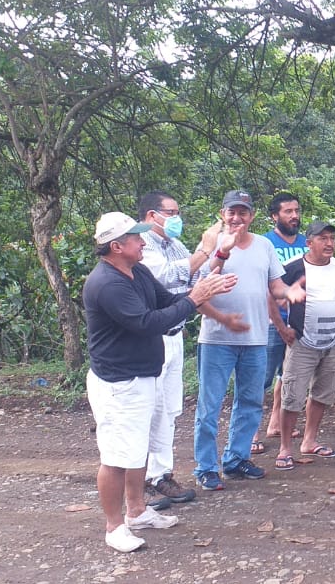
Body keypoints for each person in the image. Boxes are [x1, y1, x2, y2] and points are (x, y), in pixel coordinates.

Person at [82, 211, 236, 552]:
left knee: (137, 449)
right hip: (119, 384)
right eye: (136, 237)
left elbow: (167, 301)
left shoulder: (136, 270)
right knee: (116, 456)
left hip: (143, 376)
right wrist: (195, 298)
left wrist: (202, 290)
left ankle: (137, 511)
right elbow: (148, 323)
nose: (143, 241)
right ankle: (114, 526)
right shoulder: (107, 284)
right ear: (116, 246)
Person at [192, 190, 305, 492]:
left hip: (255, 338)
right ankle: (206, 467)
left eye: (243, 212)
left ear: (252, 216)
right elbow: (199, 289)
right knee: (210, 406)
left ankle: (237, 459)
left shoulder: (264, 245)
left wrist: (289, 292)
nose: (237, 218)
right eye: (232, 212)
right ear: (222, 214)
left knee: (251, 402)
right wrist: (223, 251)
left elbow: (275, 285)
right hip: (216, 340)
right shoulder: (210, 245)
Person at [136, 191, 220, 509]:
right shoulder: (142, 246)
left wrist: (220, 252)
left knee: (169, 409)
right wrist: (205, 248)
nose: (176, 218)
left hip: (174, 335)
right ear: (151, 216)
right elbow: (168, 275)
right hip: (152, 337)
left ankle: (160, 475)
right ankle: (138, 481)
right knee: (148, 408)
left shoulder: (174, 244)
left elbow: (198, 276)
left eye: (177, 212)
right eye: (171, 213)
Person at [273, 221, 335, 471]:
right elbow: (271, 294)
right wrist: (281, 327)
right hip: (302, 341)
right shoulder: (293, 267)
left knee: (323, 392)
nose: (329, 243)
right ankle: (285, 448)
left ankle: (309, 441)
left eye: (332, 238)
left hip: (332, 341)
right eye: (323, 238)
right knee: (292, 395)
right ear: (309, 243)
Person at [256, 193, 309, 455]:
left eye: (296, 210)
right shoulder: (264, 243)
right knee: (261, 377)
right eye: (288, 211)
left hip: (299, 320)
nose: (294, 216)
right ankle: (252, 432)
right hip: (270, 319)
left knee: (286, 375)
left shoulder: (307, 243)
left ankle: (275, 423)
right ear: (274, 216)